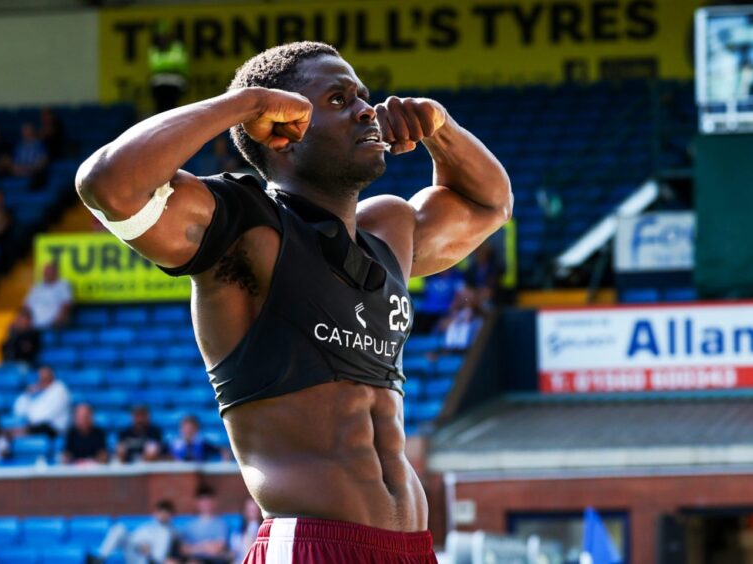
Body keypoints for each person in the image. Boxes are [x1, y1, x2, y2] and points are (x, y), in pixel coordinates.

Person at [77, 41, 511, 562]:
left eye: (362, 95)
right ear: (282, 130)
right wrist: (243, 104)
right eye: (337, 99)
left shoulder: (389, 231)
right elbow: (109, 185)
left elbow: (491, 203)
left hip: (409, 549)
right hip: (311, 547)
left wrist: (441, 130)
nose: (366, 109)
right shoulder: (244, 227)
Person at [89, 499, 177, 564]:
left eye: (166, 514)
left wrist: (148, 552)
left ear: (170, 516)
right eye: (160, 512)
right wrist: (139, 545)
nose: (162, 516)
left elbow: (161, 555)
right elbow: (135, 539)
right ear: (156, 513)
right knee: (118, 528)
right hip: (134, 551)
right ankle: (100, 559)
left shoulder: (169, 531)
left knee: (162, 536)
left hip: (148, 559)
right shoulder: (148, 525)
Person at [175, 485, 230, 564]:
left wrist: (193, 548)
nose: (205, 503)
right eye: (202, 500)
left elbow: (216, 549)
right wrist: (206, 545)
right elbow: (184, 550)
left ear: (214, 502)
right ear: (197, 502)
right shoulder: (189, 525)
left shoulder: (221, 524)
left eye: (208, 500)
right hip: (190, 560)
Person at [12, 365, 71, 438]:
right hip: (37, 427)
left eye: (45, 378)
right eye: (41, 378)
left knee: (18, 433)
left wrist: (31, 417)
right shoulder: (38, 391)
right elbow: (18, 411)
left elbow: (44, 416)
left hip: (55, 429)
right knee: (13, 431)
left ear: (52, 377)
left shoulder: (60, 390)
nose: (42, 380)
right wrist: (27, 394)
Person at [148, 23, 188, 114]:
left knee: (172, 111)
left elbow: (179, 62)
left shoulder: (177, 47)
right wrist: (168, 63)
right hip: (159, 84)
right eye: (160, 36)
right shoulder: (154, 49)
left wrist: (164, 63)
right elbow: (154, 65)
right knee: (159, 112)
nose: (163, 39)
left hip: (174, 83)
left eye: (165, 35)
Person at [24, 262, 73, 329]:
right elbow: (27, 305)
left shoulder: (63, 285)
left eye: (50, 272)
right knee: (15, 326)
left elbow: (67, 304)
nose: (47, 274)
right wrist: (26, 319)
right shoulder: (37, 287)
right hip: (32, 322)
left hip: (53, 322)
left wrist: (60, 317)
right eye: (46, 272)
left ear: (56, 273)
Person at [229, 498, 262, 564]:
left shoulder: (263, 529)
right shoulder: (238, 531)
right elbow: (234, 551)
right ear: (245, 511)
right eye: (250, 510)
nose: (252, 512)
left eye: (254, 510)